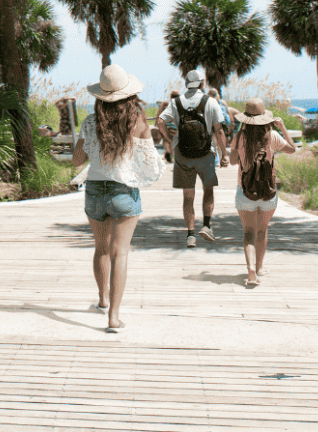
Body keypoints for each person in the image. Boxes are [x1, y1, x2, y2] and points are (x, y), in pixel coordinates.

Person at [73, 64, 163, 333]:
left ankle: (101, 300)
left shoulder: (90, 123)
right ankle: (113, 317)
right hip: (124, 191)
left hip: (95, 192)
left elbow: (77, 160)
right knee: (119, 254)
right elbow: (152, 165)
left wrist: (86, 145)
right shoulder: (137, 123)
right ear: (129, 95)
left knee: (101, 248)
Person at [154, 70, 230, 248]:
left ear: (186, 83)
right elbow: (219, 130)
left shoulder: (176, 102)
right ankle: (206, 226)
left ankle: (190, 235)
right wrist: (224, 154)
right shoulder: (210, 102)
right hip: (206, 153)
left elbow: (159, 122)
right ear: (202, 84)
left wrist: (170, 140)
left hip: (183, 153)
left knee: (188, 196)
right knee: (208, 191)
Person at [231, 98, 297, 286]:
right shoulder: (272, 135)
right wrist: (283, 127)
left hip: (244, 191)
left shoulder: (240, 136)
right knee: (262, 230)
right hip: (269, 191)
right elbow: (293, 150)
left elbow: (234, 161)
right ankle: (259, 267)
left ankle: (251, 269)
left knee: (249, 233)